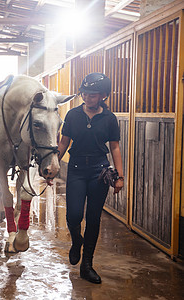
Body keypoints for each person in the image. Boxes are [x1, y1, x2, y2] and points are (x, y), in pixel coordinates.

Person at [57, 72, 124, 284]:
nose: (87, 97)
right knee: (73, 215)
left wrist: (120, 177)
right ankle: (77, 241)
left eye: (93, 94)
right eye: (85, 93)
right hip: (76, 169)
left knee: (93, 219)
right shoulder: (72, 115)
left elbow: (115, 147)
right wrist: (52, 166)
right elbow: (63, 143)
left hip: (99, 172)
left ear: (104, 95)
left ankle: (87, 265)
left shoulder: (110, 118)